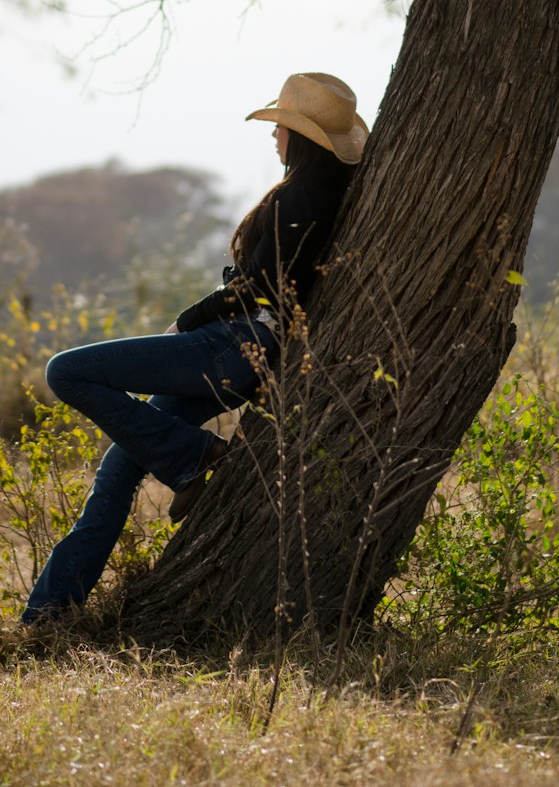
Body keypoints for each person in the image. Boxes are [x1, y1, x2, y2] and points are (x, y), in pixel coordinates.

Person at [20, 71, 369, 624]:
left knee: (66, 372)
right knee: (117, 469)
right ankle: (48, 614)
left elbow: (260, 289)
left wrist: (187, 321)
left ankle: (192, 458)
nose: (273, 136)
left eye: (281, 128)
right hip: (243, 349)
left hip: (237, 345)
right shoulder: (321, 195)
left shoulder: (302, 197)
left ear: (301, 139)